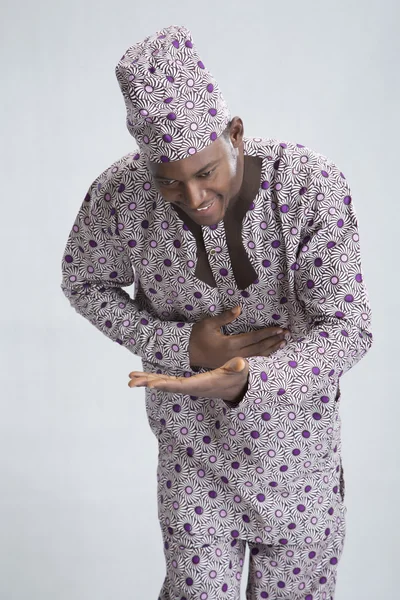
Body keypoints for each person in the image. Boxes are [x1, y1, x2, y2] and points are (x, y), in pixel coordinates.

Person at [61, 24, 373, 600]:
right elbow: (83, 281)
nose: (195, 198)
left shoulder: (306, 185)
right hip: (192, 460)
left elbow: (349, 329)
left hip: (298, 458)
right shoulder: (121, 196)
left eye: (206, 174)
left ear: (235, 134)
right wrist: (181, 349)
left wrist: (248, 380)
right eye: (170, 184)